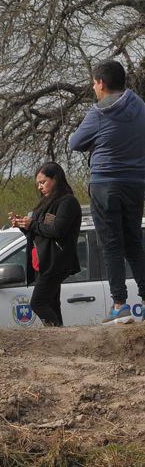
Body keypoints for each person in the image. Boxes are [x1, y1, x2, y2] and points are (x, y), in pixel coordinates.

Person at [68, 60, 145, 324]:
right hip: (136, 183)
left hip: (105, 184)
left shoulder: (99, 112)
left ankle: (120, 304)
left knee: (111, 244)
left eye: (93, 83)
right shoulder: (141, 107)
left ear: (101, 83)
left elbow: (74, 142)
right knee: (135, 242)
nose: (93, 88)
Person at [9, 163, 82, 327]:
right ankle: (60, 338)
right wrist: (23, 225)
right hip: (45, 261)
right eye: (38, 184)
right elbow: (41, 233)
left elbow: (57, 231)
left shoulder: (67, 202)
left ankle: (55, 336)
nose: (40, 186)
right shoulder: (45, 202)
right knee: (51, 303)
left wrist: (32, 224)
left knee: (38, 303)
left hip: (57, 261)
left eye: (43, 182)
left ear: (55, 179)